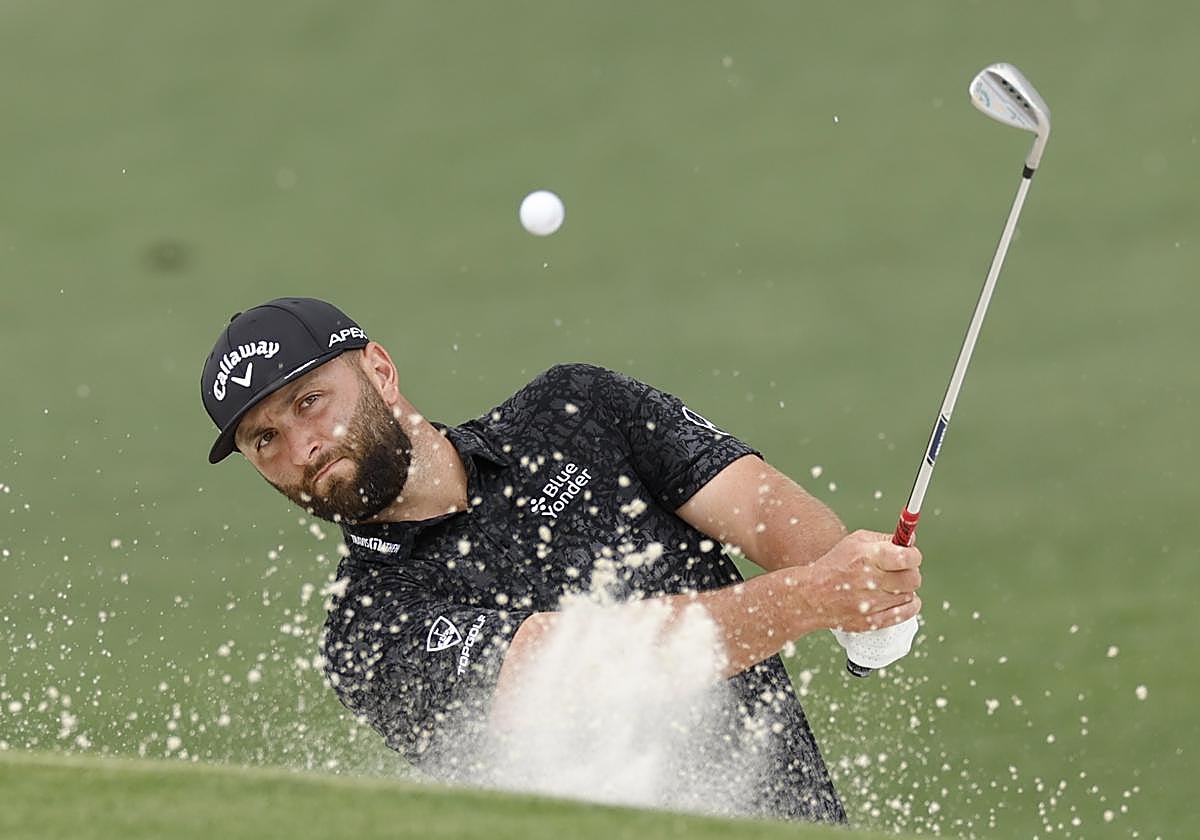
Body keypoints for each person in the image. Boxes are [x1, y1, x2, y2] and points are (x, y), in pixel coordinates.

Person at [200, 297, 923, 823]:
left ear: (380, 371)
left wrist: (860, 588)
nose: (302, 448)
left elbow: (761, 508)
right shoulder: (365, 630)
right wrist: (814, 598)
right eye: (264, 440)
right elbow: (584, 666)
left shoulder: (575, 412)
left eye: (310, 402)